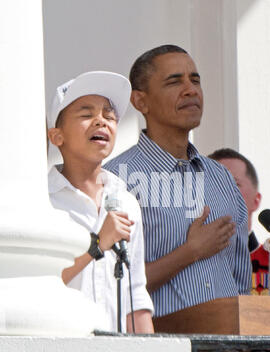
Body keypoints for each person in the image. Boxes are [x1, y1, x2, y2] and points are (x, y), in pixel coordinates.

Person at [104, 44, 252, 318]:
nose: (190, 90)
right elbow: (109, 286)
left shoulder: (221, 178)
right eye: (174, 81)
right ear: (140, 101)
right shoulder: (116, 179)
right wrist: (190, 252)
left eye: (195, 80)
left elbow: (240, 281)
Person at [47, 71, 154, 333]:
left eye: (109, 115)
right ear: (56, 136)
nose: (101, 122)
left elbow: (135, 294)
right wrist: (97, 243)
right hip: (59, 350)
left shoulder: (126, 202)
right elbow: (39, 283)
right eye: (86, 114)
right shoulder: (43, 201)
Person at [208, 148, 270, 295]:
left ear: (256, 200)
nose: (221, 193)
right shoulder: (185, 262)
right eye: (213, 185)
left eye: (234, 184)